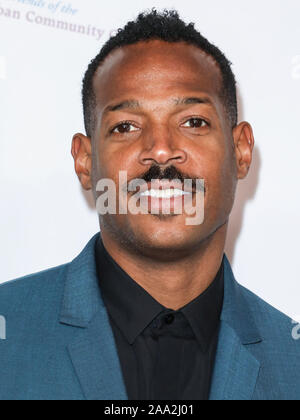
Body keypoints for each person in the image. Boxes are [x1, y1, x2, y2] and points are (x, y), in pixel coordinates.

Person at [0, 8, 299, 401]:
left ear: (241, 151)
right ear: (85, 162)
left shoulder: (291, 361)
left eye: (193, 121)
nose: (160, 150)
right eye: (126, 126)